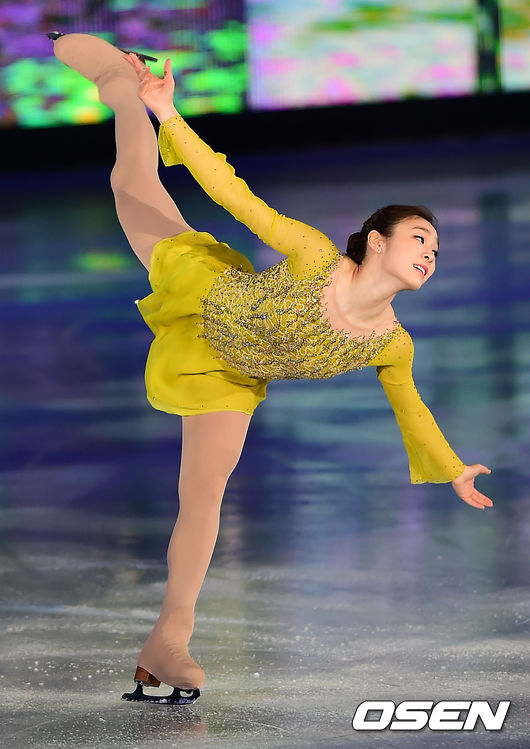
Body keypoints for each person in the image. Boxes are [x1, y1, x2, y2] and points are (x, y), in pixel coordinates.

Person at [50, 33, 494, 705]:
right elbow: (233, 193)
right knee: (131, 182)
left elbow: (412, 409)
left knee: (203, 496)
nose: (430, 253)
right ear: (377, 242)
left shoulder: (391, 343)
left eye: (436, 249)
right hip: (204, 294)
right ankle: (120, 82)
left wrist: (452, 468)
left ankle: (168, 640)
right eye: (419, 238)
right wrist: (167, 113)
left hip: (229, 377)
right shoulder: (316, 257)